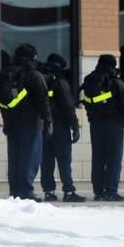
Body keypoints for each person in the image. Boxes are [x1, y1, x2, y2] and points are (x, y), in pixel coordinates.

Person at [0, 44, 53, 202]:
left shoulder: (6, 75)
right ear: (33, 57)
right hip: (31, 124)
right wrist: (48, 122)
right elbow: (43, 102)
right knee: (29, 159)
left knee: (14, 159)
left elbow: (2, 102)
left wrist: (6, 121)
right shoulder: (35, 75)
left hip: (11, 124)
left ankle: (14, 190)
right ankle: (26, 191)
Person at [82, 53, 124, 202]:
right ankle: (111, 190)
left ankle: (98, 191)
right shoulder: (116, 83)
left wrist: (92, 118)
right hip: (114, 125)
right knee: (114, 158)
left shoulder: (90, 81)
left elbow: (87, 103)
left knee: (98, 158)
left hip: (95, 125)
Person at [39, 53, 85, 203]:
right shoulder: (60, 82)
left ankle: (48, 191)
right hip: (60, 126)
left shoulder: (39, 79)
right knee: (64, 160)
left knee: (46, 161)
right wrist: (74, 126)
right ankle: (69, 191)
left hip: (43, 126)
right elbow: (68, 107)